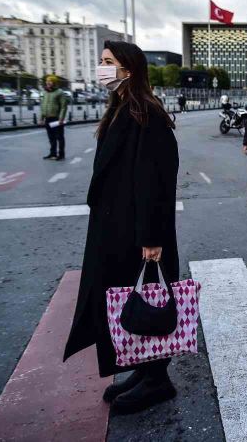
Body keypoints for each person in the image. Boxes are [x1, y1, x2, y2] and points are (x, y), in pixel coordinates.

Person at [64, 40, 179, 414]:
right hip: (117, 226)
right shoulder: (122, 109)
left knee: (146, 300)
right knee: (128, 298)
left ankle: (158, 379)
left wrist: (151, 237)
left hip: (138, 230)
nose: (101, 67)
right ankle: (145, 371)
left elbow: (156, 179)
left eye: (108, 62)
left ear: (128, 70)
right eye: (100, 61)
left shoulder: (147, 113)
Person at [40, 75, 68, 160]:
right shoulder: (45, 92)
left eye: (50, 81)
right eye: (47, 81)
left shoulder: (60, 92)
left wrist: (61, 118)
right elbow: (43, 105)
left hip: (56, 119)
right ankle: (53, 153)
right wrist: (41, 117)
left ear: (54, 83)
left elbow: (64, 106)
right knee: (51, 137)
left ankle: (61, 154)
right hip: (48, 118)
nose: (48, 82)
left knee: (59, 137)